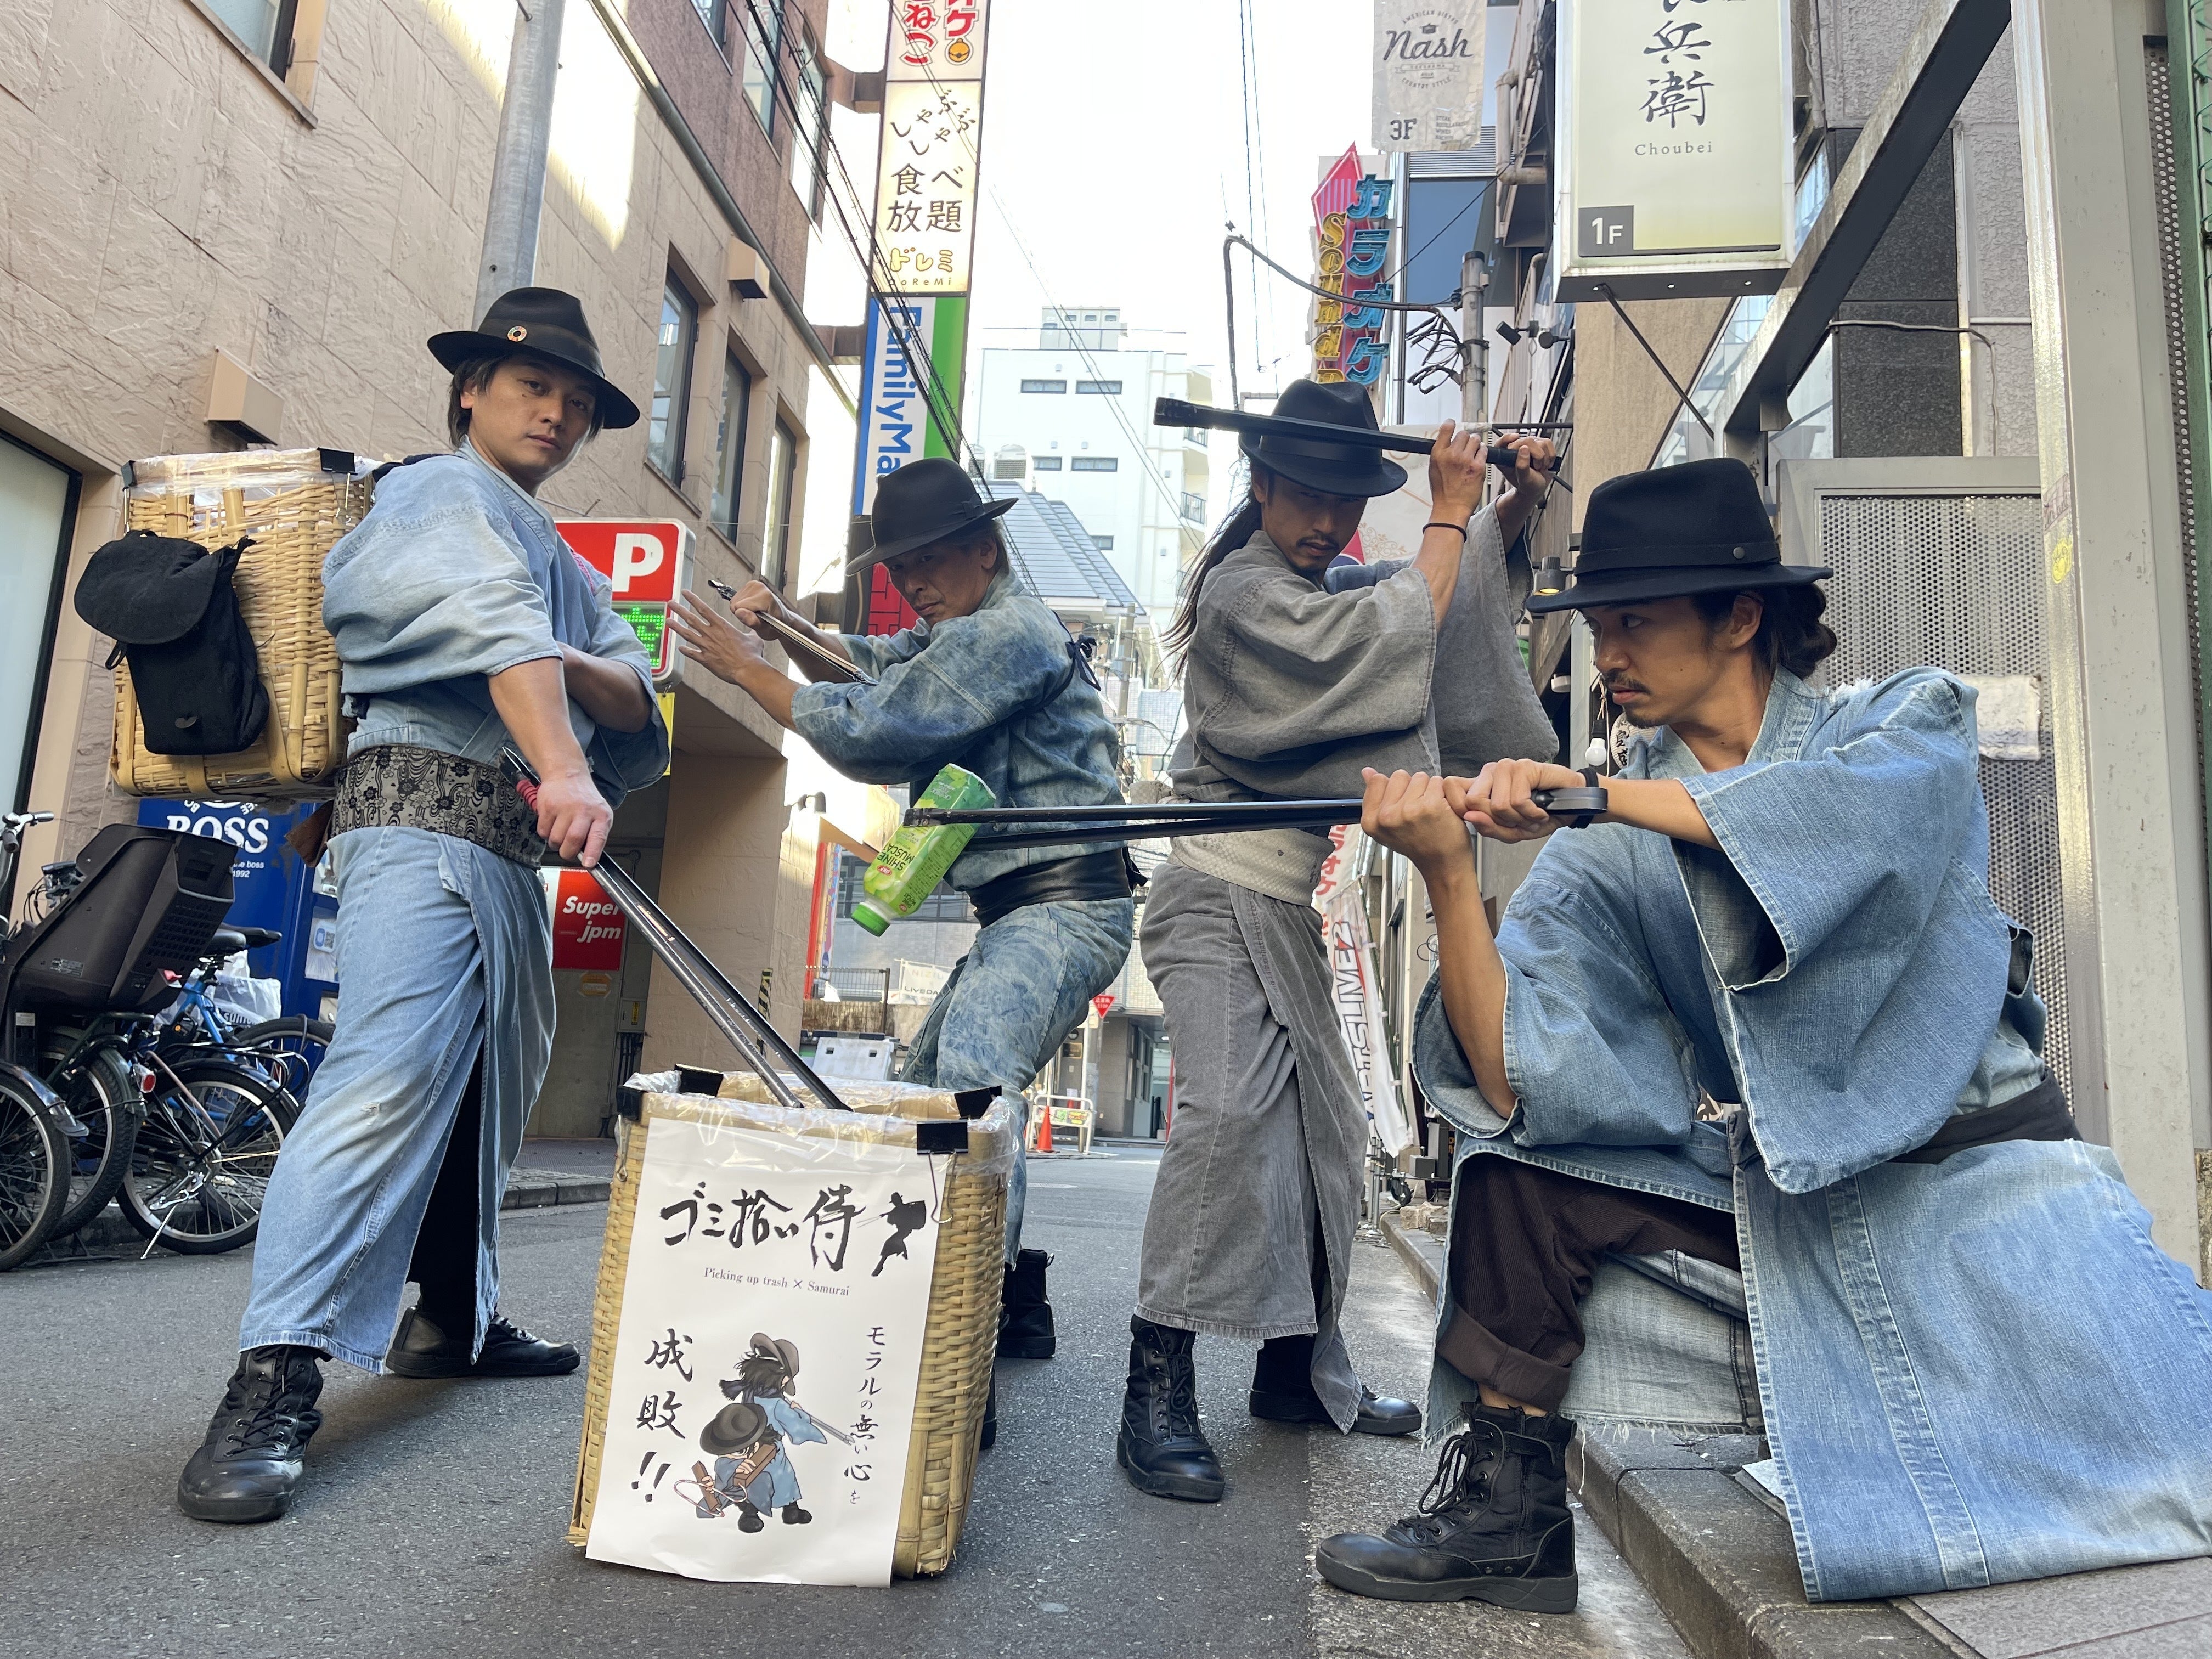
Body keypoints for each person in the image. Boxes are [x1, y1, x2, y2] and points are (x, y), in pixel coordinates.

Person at [1322, 456, 2212, 1613]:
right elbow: (1516, 1076)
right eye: (1600, 626)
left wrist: (1594, 797)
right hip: (1796, 1216)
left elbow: (1831, 823)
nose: (1611, 653)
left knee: (2176, 1456)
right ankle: (1508, 1510)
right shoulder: (1605, 842)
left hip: (1985, 1199)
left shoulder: (1901, 722)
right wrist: (1450, 878)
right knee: (1518, 1170)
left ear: (1741, 617)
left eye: (1636, 622)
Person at [177, 288, 669, 1523]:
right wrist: (564, 757)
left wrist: (570, 672)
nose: (556, 414)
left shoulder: (553, 547)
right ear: (470, 391)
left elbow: (634, 686)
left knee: (490, 1090)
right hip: (420, 826)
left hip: (502, 852)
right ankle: (274, 1375)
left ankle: (454, 1317)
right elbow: (499, 630)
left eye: (577, 401)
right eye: (532, 386)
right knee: (385, 1082)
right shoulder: (441, 492)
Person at [1120, 377, 1561, 1504]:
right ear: (1262, 483)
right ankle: (1154, 1384)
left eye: (1345, 499)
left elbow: (1424, 612)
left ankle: (1294, 1371)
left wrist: (1500, 512)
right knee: (1227, 1118)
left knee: (1322, 1129)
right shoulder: (1242, 592)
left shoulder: (1320, 586)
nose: (1327, 520)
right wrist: (1450, 513)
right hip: (1214, 893)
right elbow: (1392, 629)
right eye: (1306, 494)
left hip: (1280, 906)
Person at [667, 457, 1133, 1359]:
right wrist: (786, 625)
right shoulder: (961, 633)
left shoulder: (1009, 633)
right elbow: (871, 670)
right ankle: (1012, 1296)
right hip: (1020, 911)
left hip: (1065, 905)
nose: (914, 582)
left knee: (970, 1090)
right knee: (924, 1093)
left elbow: (879, 727)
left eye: (931, 560)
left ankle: (968, 1315)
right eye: (901, 568)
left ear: (986, 550)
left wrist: (750, 670)